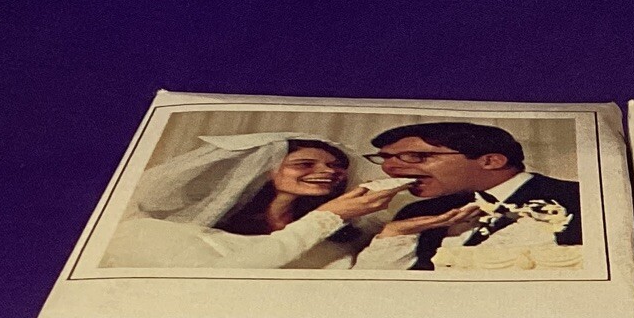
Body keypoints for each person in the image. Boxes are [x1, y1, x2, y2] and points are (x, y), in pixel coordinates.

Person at [102, 133, 396, 270]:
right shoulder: (162, 231)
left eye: (335, 166)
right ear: (263, 171)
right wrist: (327, 216)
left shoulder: (350, 232)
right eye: (305, 164)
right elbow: (220, 278)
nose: (329, 172)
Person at [353, 122, 585, 273]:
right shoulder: (416, 212)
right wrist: (394, 234)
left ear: (491, 161)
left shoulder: (581, 199)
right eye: (384, 158)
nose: (389, 168)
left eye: (416, 156)